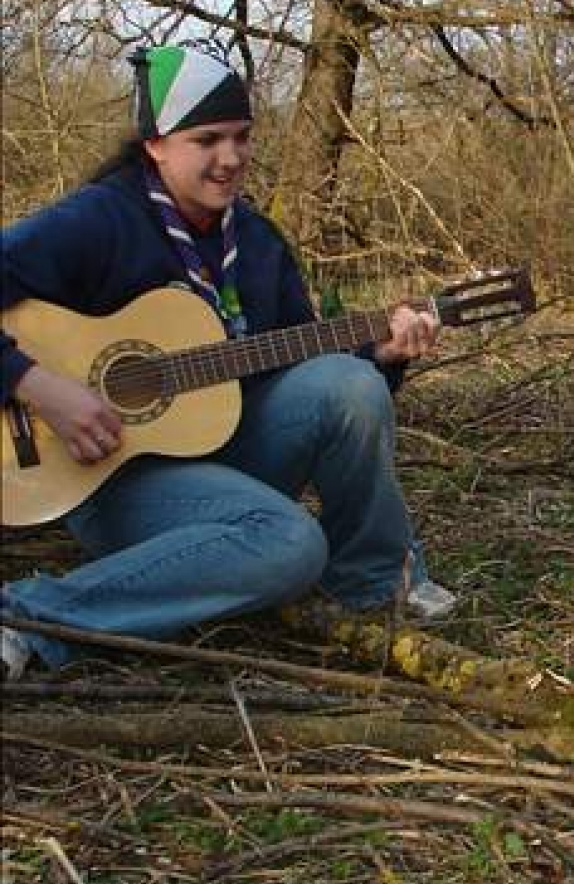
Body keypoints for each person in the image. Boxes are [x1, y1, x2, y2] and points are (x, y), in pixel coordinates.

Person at [1, 42, 456, 680]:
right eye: (208, 139)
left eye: (243, 137)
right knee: (289, 544)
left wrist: (378, 352)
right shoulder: (98, 220)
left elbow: (298, 363)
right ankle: (31, 617)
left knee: (347, 382)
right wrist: (40, 385)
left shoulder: (258, 242)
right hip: (107, 473)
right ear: (156, 145)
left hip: (226, 450)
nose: (232, 158)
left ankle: (376, 585)